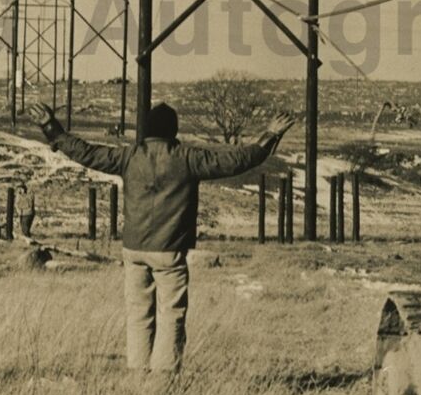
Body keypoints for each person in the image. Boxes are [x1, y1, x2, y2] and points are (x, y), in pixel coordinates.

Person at [29, 99, 294, 376]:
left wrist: (52, 128)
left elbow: (86, 153)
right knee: (171, 314)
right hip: (169, 250)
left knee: (138, 313)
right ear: (174, 131)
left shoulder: (129, 156)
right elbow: (238, 160)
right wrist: (271, 134)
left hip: (133, 249)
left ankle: (138, 374)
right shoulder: (188, 158)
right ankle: (163, 378)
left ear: (145, 131)